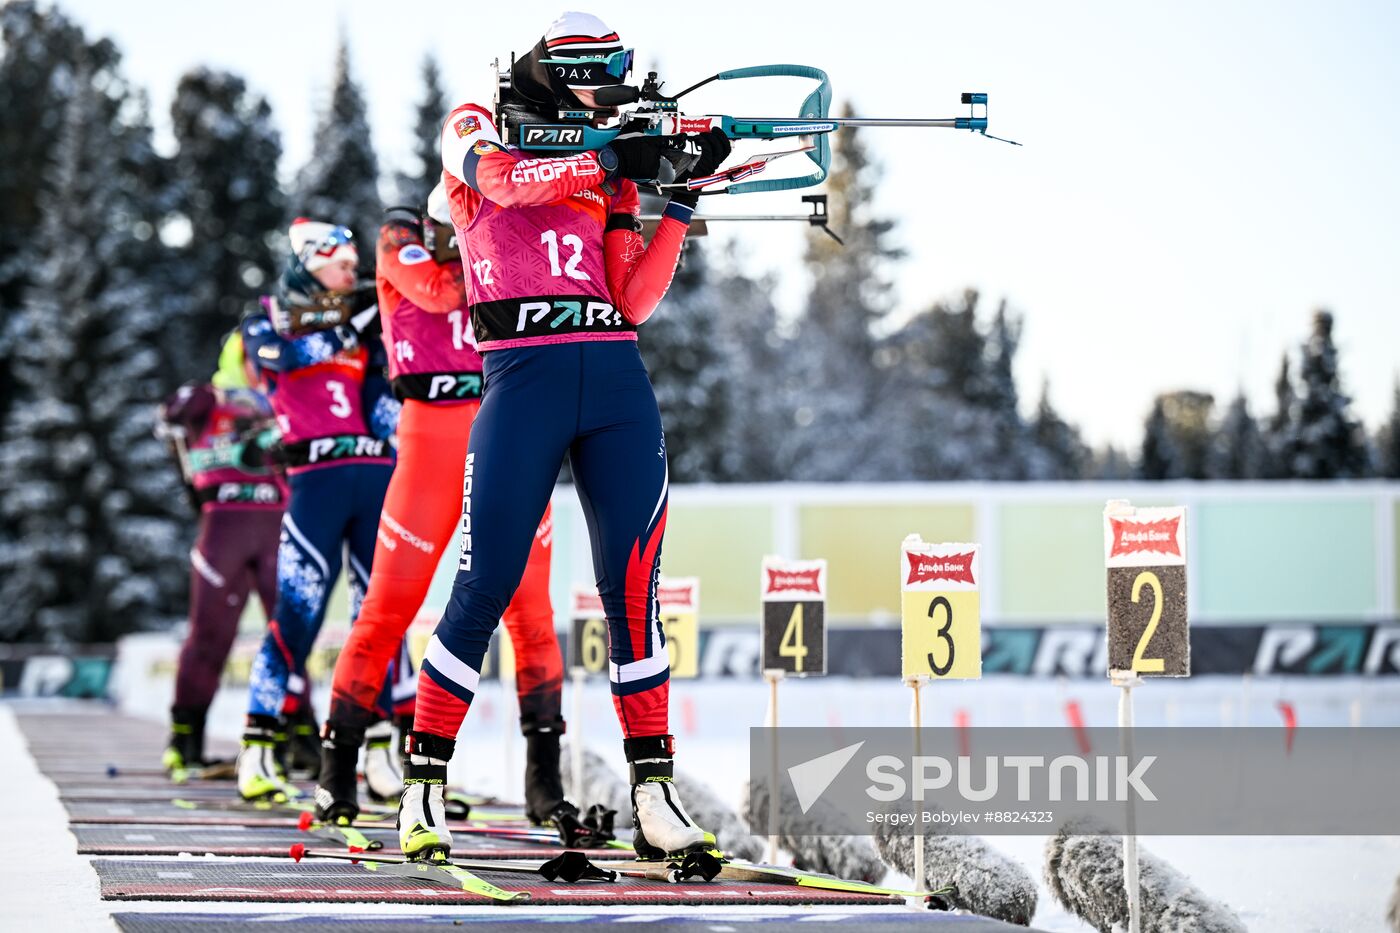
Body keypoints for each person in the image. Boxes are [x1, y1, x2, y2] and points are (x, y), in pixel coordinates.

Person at [396, 11, 731, 862]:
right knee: (486, 583)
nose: (601, 96)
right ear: (555, 69)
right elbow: (506, 183)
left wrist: (676, 201)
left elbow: (634, 297)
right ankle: (424, 784)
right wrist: (614, 154)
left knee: (634, 592)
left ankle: (654, 795)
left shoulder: (599, 159)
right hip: (523, 382)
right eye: (592, 78)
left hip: (617, 381)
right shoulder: (475, 125)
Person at [316, 187, 583, 842]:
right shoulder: (398, 237)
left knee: (533, 613)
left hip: (505, 427)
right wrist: (490, 248)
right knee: (388, 608)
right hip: (429, 436)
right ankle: (336, 770)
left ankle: (544, 784)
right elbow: (435, 292)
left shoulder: (497, 239)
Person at [234, 219, 413, 802]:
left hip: (374, 477)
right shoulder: (269, 310)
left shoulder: (363, 314)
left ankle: (382, 751)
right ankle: (259, 748)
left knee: (381, 616)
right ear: (310, 259)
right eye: (339, 262)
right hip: (314, 480)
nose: (350, 272)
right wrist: (346, 330)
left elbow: (381, 400)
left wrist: (386, 349)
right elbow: (275, 358)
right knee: (297, 614)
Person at [157, 333, 285, 778]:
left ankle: (296, 743)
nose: (262, 365)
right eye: (255, 357)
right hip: (224, 523)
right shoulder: (211, 397)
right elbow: (173, 413)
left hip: (277, 522)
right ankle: (184, 740)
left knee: (289, 636)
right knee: (210, 635)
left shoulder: (285, 393)